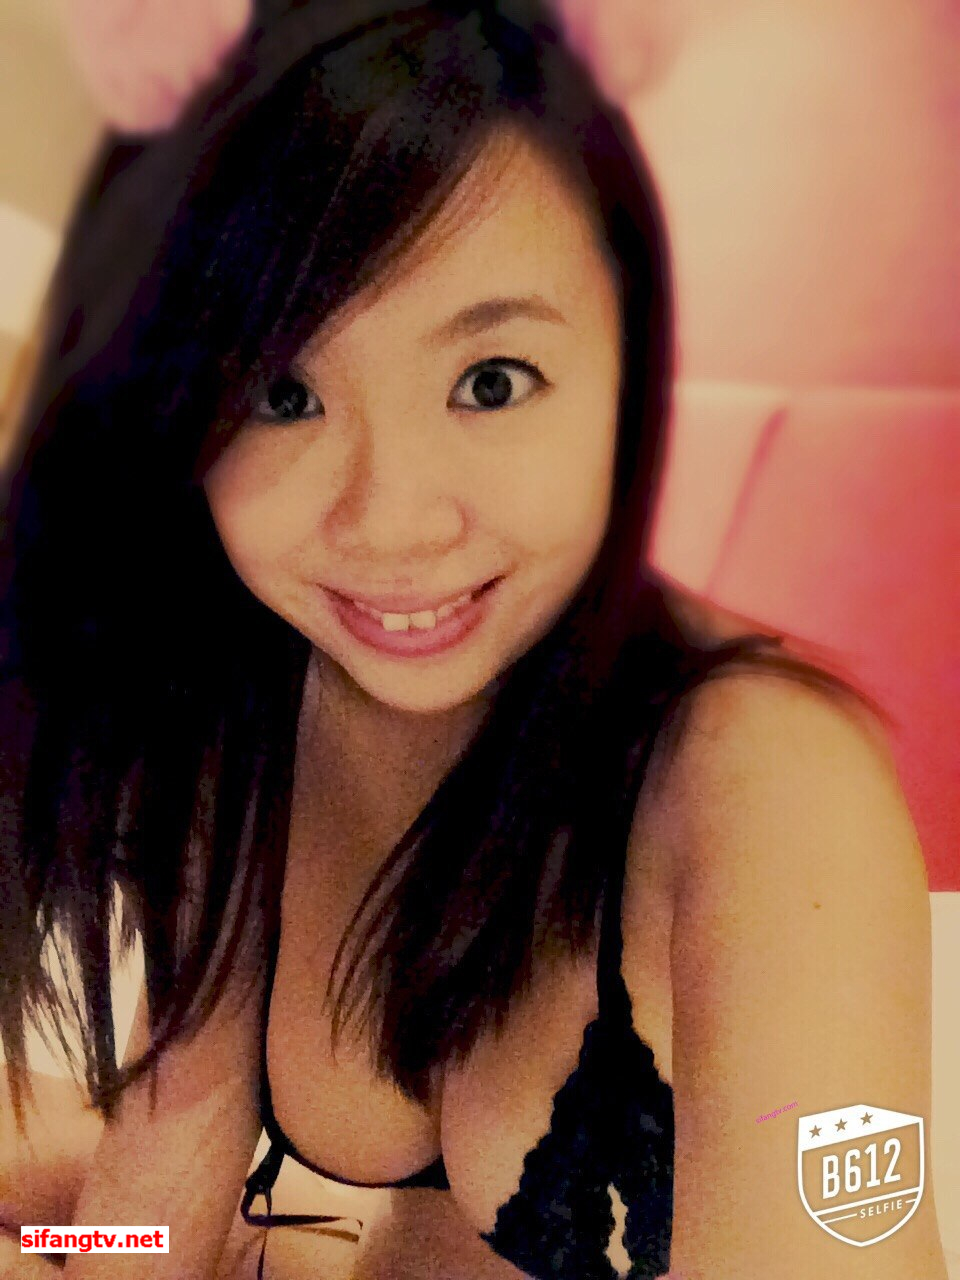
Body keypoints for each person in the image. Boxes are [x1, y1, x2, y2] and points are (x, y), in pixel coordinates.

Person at [0, 2, 946, 1277]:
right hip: (306, 1241)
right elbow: (163, 1196)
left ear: (628, 362)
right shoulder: (249, 700)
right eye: (283, 394)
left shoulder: (765, 784)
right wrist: (71, 1247)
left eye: (490, 380)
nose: (390, 520)